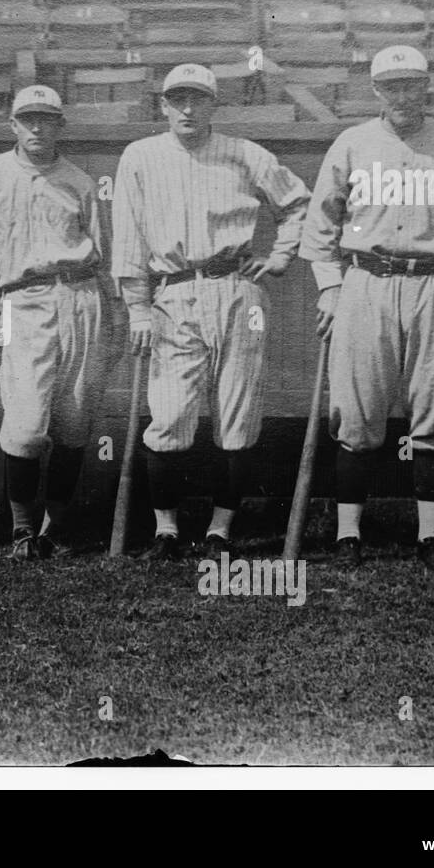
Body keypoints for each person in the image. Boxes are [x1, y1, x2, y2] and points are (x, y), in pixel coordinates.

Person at [299, 45, 434, 568]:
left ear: (427, 87)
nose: (402, 95)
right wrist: (329, 286)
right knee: (355, 412)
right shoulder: (353, 143)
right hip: (365, 282)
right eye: (390, 86)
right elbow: (320, 221)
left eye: (411, 84)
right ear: (375, 91)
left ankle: (429, 536)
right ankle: (348, 535)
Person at [111, 63, 311, 560]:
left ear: (213, 105)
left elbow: (298, 203)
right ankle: (166, 531)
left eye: (198, 99)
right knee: (171, 415)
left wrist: (281, 256)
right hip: (174, 292)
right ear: (163, 104)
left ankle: (221, 531)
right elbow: (128, 237)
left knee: (238, 416)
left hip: (239, 293)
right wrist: (137, 307)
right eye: (178, 99)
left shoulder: (244, 153)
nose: (188, 108)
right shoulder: (140, 156)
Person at [0, 84, 123, 559]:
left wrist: (112, 315)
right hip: (23, 301)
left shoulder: (80, 181)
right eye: (27, 119)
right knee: (27, 426)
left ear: (59, 127)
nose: (36, 128)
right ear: (12, 125)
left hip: (81, 298)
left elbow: (105, 255)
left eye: (46, 119)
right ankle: (21, 529)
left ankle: (54, 529)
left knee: (74, 421)